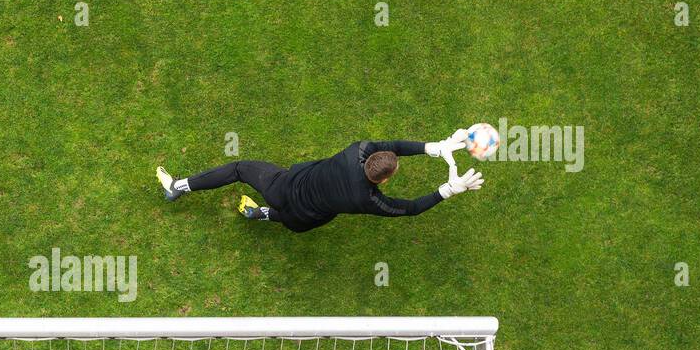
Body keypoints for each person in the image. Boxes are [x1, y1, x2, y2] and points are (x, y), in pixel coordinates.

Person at [156, 130, 483, 234]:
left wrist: (433, 148)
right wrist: (449, 190)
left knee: (241, 168)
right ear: (385, 177)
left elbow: (392, 147)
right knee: (286, 217)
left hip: (282, 185)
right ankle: (261, 215)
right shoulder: (367, 200)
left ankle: (178, 188)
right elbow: (409, 208)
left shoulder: (357, 151)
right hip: (305, 219)